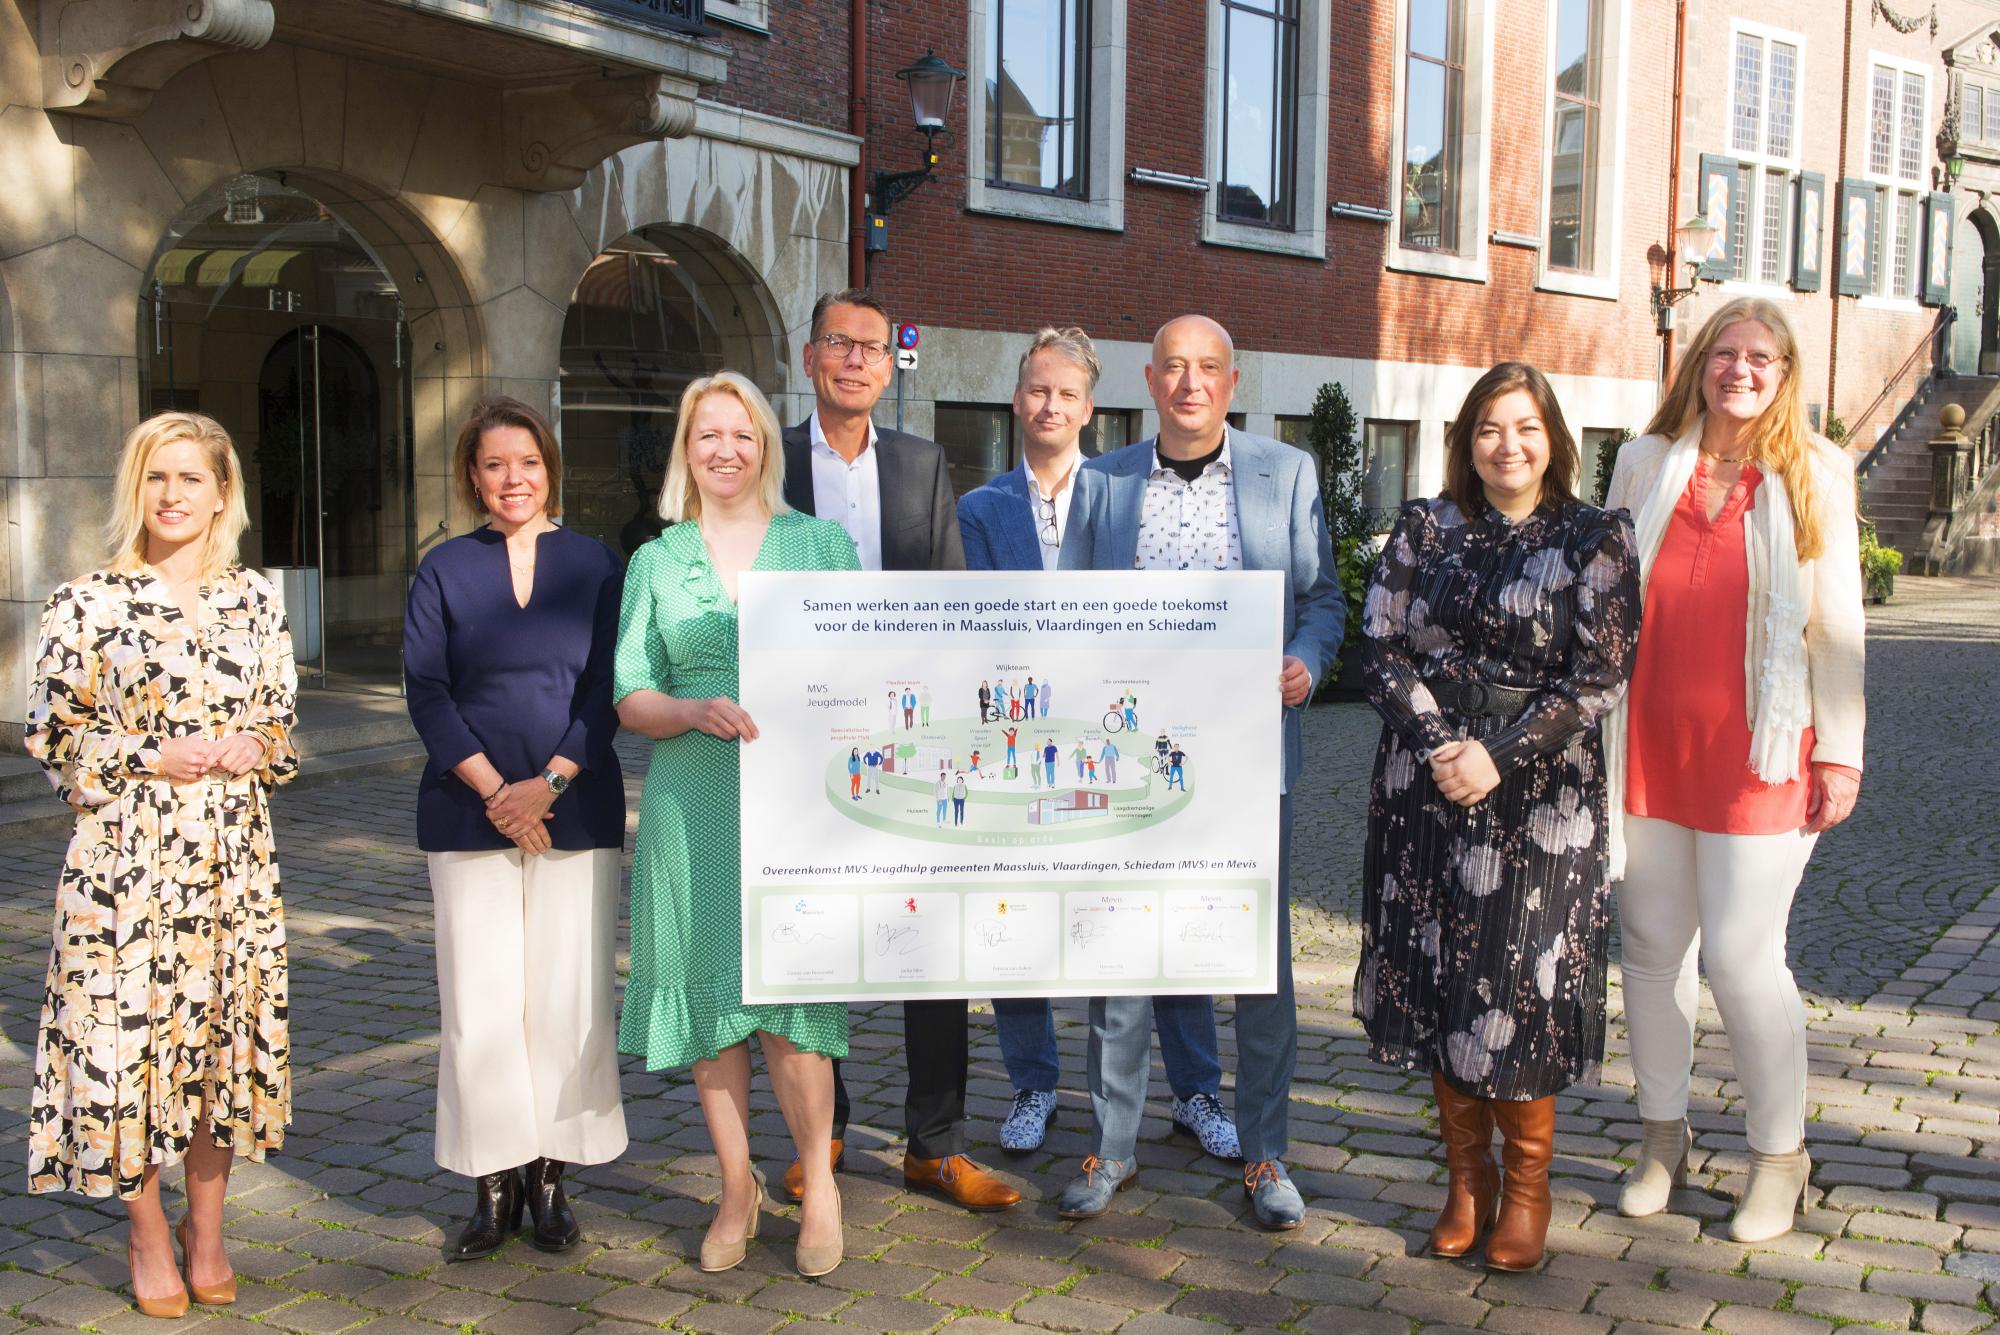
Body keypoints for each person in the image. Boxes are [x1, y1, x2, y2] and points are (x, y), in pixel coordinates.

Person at [1057, 315, 1344, 1228]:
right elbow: (1067, 611)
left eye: (1208, 367)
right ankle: (1113, 1145)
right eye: (1174, 368)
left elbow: (1323, 599)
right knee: (1122, 951)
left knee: (1258, 964)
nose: (1190, 383)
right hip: (1129, 758)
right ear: (1149, 380)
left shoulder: (1283, 472)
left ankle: (1265, 1154)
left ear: (1231, 381)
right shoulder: (1102, 482)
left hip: (1249, 756)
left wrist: (1305, 662)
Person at [1354, 363, 1640, 1272]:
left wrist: (1497, 754)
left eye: (1524, 427)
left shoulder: (1595, 535)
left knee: (1518, 982)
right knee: (1442, 974)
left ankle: (1527, 1190)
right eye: (1488, 428)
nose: (1506, 445)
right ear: (1465, 441)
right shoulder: (1426, 526)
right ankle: (1466, 1181)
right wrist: (1443, 743)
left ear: (1553, 437)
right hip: (1426, 783)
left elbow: (1600, 677)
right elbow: (1379, 646)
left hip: (1540, 794)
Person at [25, 412, 298, 1317]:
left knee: (221, 1047)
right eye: (156, 477)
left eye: (191, 478)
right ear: (134, 488)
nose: (172, 494)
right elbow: (53, 737)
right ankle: (146, 1231)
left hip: (233, 863)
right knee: (123, 1049)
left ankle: (206, 1229)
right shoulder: (87, 601)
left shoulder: (256, 598)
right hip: (123, 868)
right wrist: (153, 754)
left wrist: (257, 744)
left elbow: (281, 723)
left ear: (223, 492)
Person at [1606, 298, 1866, 1244]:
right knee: (1650, 949)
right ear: (1700, 364)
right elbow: (1605, 593)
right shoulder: (1645, 460)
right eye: (1726, 352)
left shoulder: (1816, 471)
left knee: (1744, 956)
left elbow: (1836, 623)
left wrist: (1841, 750)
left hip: (1761, 750)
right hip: (1647, 742)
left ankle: (1777, 1156)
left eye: (1761, 357)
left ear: (1785, 371)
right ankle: (1661, 1139)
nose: (1741, 370)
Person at [779, 288, 1016, 1213]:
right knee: (818, 938)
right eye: (838, 343)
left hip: (912, 739)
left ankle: (935, 1146)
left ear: (889, 366)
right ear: (810, 357)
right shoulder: (771, 463)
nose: (854, 360)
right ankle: (825, 1132)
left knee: (933, 942)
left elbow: (952, 595)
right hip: (802, 740)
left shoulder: (921, 463)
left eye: (871, 347)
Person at [615, 371, 852, 1278]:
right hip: (693, 797)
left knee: (794, 1004)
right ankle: (734, 1186)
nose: (725, 449)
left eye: (742, 433)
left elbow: (867, 660)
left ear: (765, 447)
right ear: (687, 449)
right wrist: (689, 709)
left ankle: (819, 1186)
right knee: (711, 1008)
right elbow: (630, 693)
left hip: (798, 801)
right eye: (707, 434)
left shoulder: (820, 544)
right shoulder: (656, 559)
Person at [404, 397, 630, 1263]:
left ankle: (551, 1180)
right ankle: (491, 1184)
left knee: (569, 998)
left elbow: (610, 685)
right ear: (473, 475)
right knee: (481, 1003)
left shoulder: (599, 564)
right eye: (495, 464)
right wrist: (502, 793)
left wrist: (549, 785)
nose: (513, 479)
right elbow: (427, 691)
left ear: (550, 469)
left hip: (577, 804)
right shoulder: (442, 569)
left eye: (528, 462)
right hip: (470, 810)